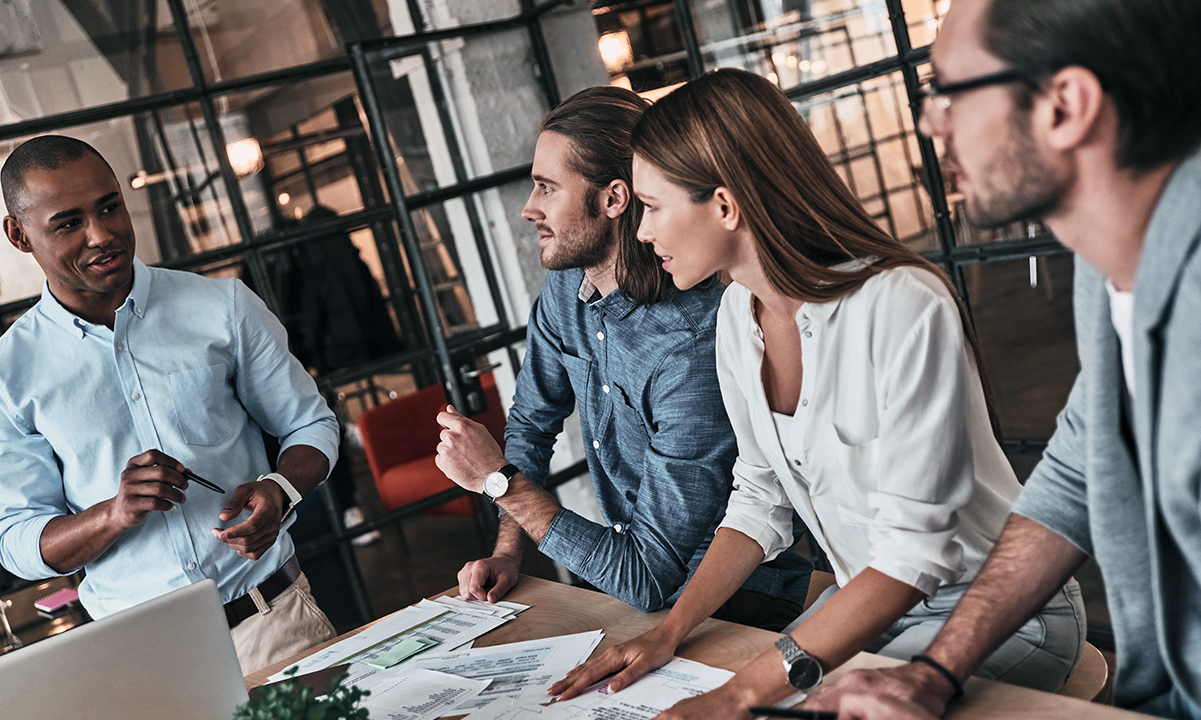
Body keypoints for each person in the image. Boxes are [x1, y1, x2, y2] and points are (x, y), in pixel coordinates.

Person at [549, 69, 1084, 718]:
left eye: (653, 207)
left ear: (724, 205)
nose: (640, 232)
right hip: (869, 609)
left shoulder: (901, 305)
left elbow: (914, 552)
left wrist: (737, 694)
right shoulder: (734, 318)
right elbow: (758, 498)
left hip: (993, 613)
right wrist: (666, 634)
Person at [810, 0, 1201, 717]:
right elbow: (1081, 466)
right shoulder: (1108, 265)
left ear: (1065, 105)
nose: (930, 123)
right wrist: (934, 670)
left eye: (948, 92)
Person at [433, 86, 812, 625]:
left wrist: (498, 481)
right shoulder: (566, 291)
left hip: (739, 604)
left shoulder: (688, 344)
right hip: (639, 594)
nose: (528, 208)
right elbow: (531, 425)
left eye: (546, 187)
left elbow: (648, 576)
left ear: (614, 199)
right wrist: (508, 551)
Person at [0, 135, 341, 675]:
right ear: (19, 234)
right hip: (146, 664)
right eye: (68, 223)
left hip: (277, 626)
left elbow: (310, 424)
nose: (102, 235)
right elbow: (16, 539)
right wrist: (113, 514)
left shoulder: (224, 307)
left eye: (109, 206)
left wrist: (281, 490)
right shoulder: (5, 377)